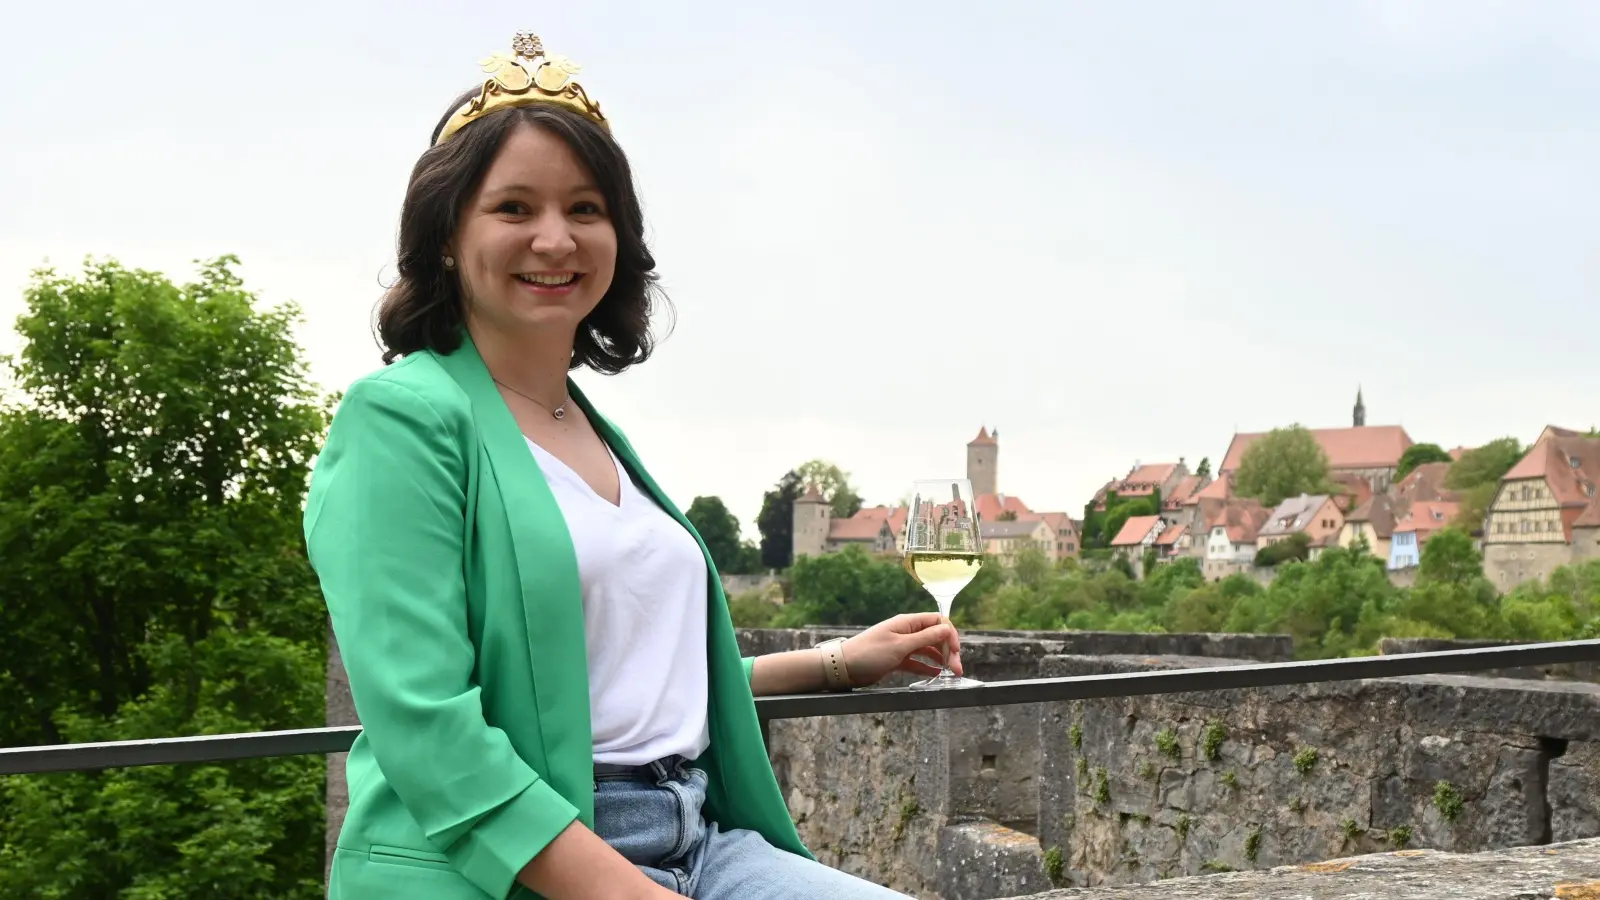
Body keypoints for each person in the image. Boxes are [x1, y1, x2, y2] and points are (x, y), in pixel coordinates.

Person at [303, 30, 966, 900]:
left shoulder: (591, 426)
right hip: (520, 867)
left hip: (696, 840)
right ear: (445, 237)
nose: (555, 239)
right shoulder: (399, 419)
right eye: (514, 209)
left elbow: (610, 686)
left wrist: (834, 662)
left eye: (585, 209)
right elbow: (428, 730)